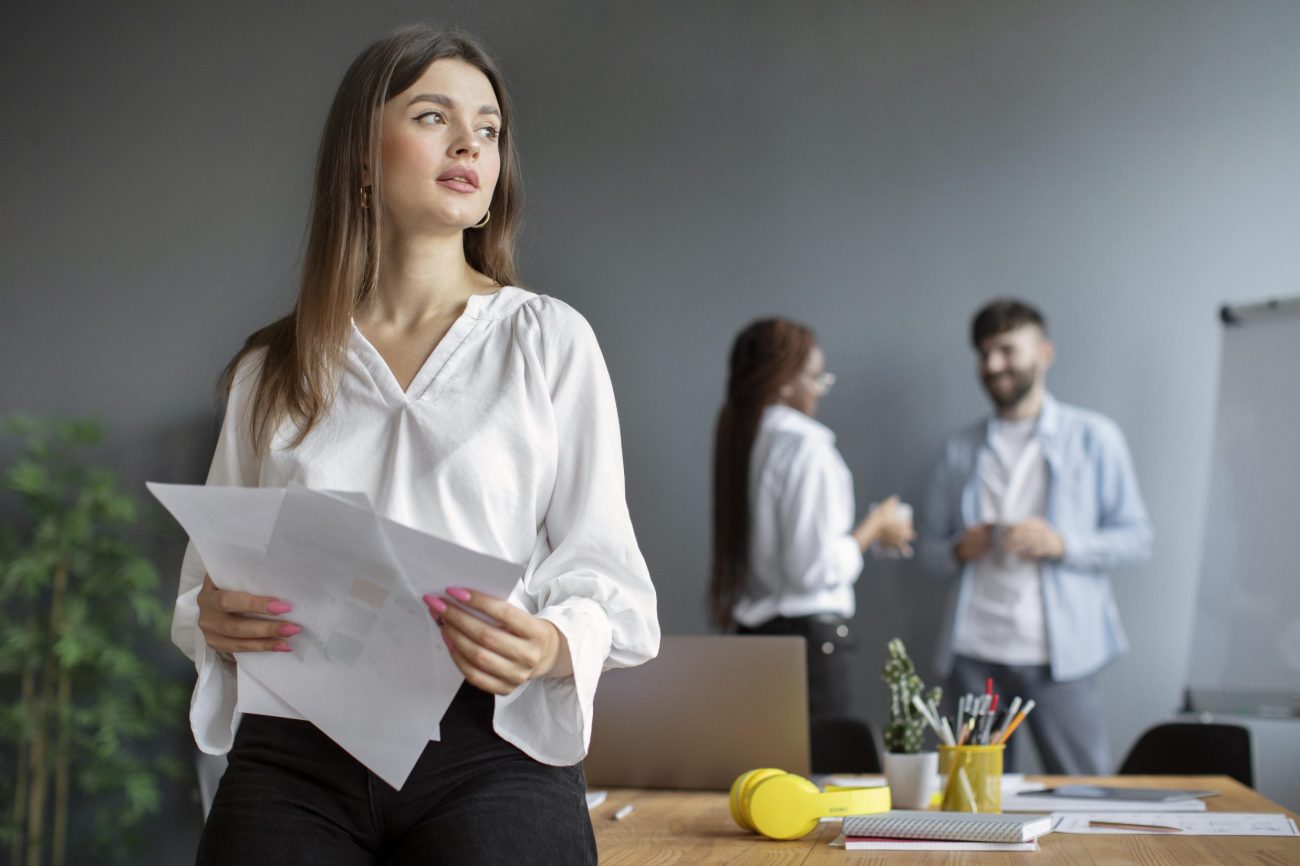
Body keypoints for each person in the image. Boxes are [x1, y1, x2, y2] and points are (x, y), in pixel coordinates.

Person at [169, 26, 659, 865]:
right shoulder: (272, 368)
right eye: (434, 116)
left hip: (490, 748)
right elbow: (202, 588)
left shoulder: (547, 341)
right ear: (361, 159)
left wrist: (548, 645)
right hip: (295, 754)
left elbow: (609, 582)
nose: (470, 143)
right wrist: (213, 616)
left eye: (488, 129)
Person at [918, 298, 1152, 774]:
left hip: (1061, 657)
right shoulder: (959, 448)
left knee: (1083, 790)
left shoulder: (1094, 437)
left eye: (1007, 349)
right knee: (972, 797)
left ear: (1044, 353)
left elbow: (1137, 538)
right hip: (973, 654)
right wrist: (959, 549)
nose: (993, 365)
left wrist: (1063, 544)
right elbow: (926, 551)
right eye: (984, 353)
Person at [709, 318, 914, 723]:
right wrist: (874, 527)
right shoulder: (805, 447)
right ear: (785, 381)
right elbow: (811, 571)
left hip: (757, 640)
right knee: (814, 762)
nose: (819, 389)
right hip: (806, 648)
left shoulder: (747, 440)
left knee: (766, 762)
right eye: (816, 377)